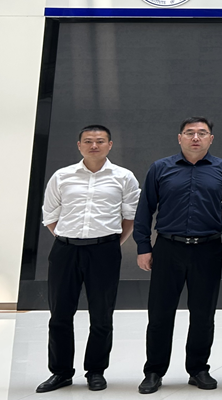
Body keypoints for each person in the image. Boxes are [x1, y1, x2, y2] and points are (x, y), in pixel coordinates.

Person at [134, 117, 222, 394]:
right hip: (168, 248)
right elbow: (145, 209)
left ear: (211, 139)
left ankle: (198, 369)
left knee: (203, 314)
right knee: (160, 314)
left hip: (208, 249)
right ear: (180, 138)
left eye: (202, 133)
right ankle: (154, 371)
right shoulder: (160, 168)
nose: (196, 137)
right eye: (190, 133)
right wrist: (143, 246)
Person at [37, 125, 140, 393]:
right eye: (88, 141)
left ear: (110, 145)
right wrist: (69, 238)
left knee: (102, 314)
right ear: (79, 145)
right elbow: (50, 215)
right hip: (65, 251)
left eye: (100, 141)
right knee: (59, 314)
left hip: (104, 251)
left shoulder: (124, 177)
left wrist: (109, 244)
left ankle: (95, 371)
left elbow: (130, 217)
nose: (94, 145)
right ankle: (60, 372)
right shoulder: (62, 176)